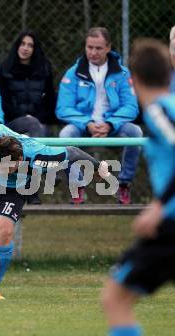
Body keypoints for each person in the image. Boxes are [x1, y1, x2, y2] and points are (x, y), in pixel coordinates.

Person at [0, 91, 111, 300]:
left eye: (16, 163)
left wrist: (99, 167)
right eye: (7, 166)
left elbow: (72, 152)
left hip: (14, 189)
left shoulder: (38, 154)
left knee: (4, 231)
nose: (13, 167)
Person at [102, 38, 175, 336]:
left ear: (133, 81)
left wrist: (158, 205)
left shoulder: (160, 110)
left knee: (115, 297)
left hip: (170, 225)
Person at [56, 27, 142, 204]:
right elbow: (63, 108)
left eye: (98, 48)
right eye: (89, 47)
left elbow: (131, 106)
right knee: (64, 135)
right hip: (83, 126)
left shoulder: (122, 74)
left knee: (136, 133)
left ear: (108, 47)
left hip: (113, 125)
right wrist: (87, 123)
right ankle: (77, 187)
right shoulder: (73, 73)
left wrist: (110, 124)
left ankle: (124, 185)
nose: (93, 52)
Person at [0, 29, 56, 137]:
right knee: (32, 125)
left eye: (30, 45)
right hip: (13, 122)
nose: (25, 48)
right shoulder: (5, 69)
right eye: (22, 44)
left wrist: (36, 118)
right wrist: (25, 117)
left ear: (35, 49)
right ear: (17, 46)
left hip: (40, 121)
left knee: (39, 128)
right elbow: (4, 102)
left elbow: (50, 101)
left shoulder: (44, 69)